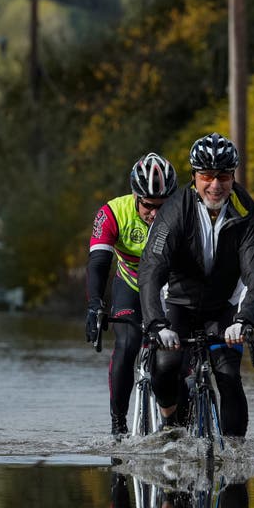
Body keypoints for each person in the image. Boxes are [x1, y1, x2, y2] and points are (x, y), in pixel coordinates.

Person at [138, 133, 254, 437]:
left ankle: (235, 464)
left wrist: (244, 319)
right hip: (178, 305)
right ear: (194, 177)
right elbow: (152, 268)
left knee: (228, 376)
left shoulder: (247, 212)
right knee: (166, 363)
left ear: (233, 176)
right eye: (207, 176)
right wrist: (157, 324)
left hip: (223, 309)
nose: (215, 185)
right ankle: (171, 422)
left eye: (223, 176)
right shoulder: (175, 209)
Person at [85, 152, 178, 436]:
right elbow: (99, 262)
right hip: (132, 285)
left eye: (163, 206)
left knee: (179, 355)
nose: (155, 214)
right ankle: (119, 425)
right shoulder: (113, 213)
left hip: (170, 287)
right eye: (149, 206)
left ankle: (177, 421)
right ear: (135, 197)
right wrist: (95, 305)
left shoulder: (183, 212)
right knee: (127, 346)